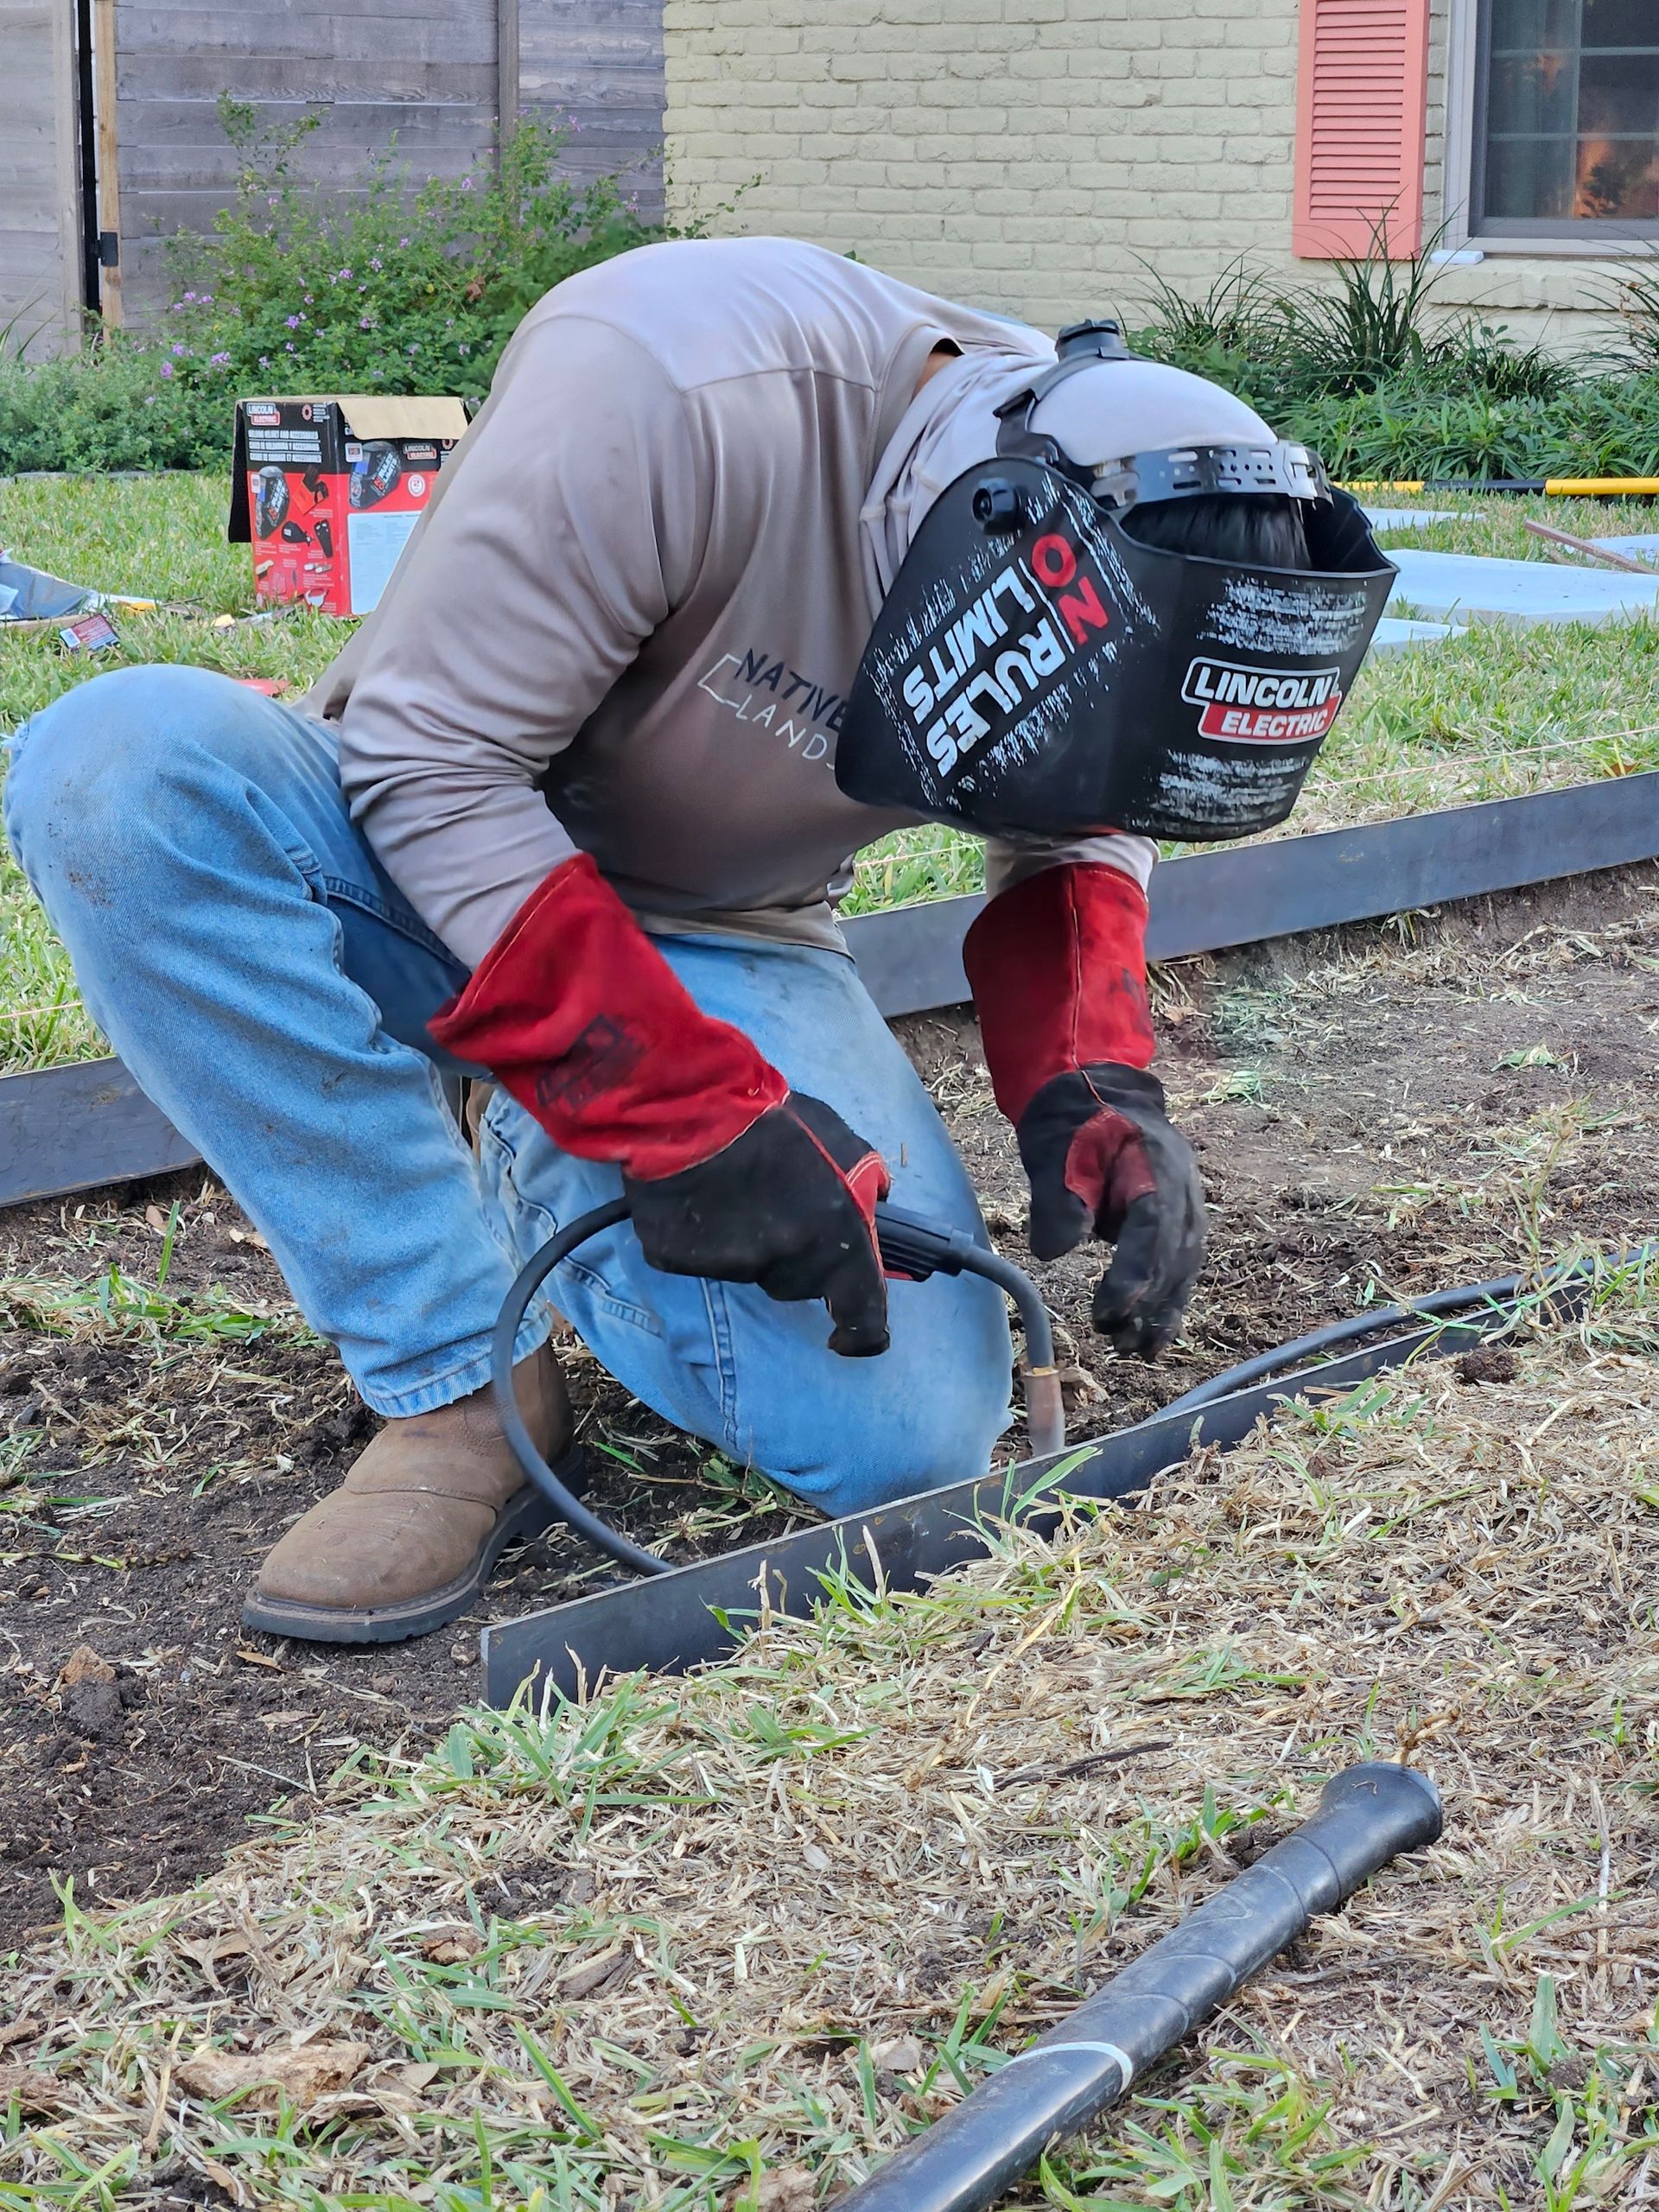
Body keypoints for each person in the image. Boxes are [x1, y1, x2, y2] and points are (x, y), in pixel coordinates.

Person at [3, 237, 1387, 1644]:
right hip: (427, 841)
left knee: (902, 1442)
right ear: (978, 549)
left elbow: (1081, 824)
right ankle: (457, 1379)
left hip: (720, 925)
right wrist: (675, 1113)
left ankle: (534, 1114)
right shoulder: (674, 378)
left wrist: (1090, 1078)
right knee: (114, 774)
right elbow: (428, 765)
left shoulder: (1127, 526)